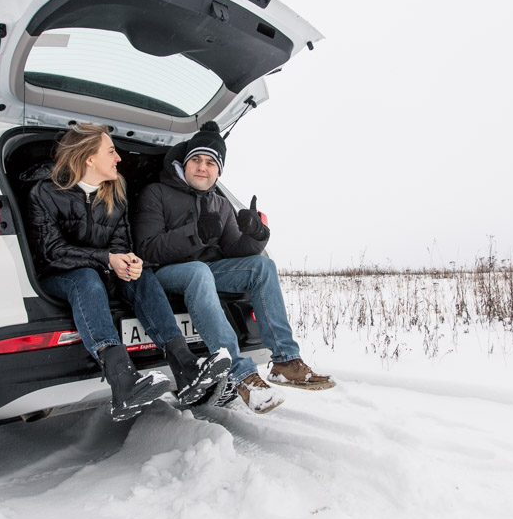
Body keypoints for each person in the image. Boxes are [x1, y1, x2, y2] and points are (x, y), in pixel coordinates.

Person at [28, 124, 230, 421]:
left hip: (103, 268)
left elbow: (120, 243)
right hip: (60, 273)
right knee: (86, 278)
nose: (118, 158)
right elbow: (51, 251)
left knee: (142, 275)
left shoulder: (115, 191)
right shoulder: (45, 191)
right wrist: (107, 259)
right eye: (111, 151)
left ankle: (185, 367)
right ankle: (122, 381)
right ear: (89, 158)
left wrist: (128, 261)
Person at [132, 121, 335, 415]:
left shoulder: (220, 203)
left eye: (211, 163)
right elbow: (147, 249)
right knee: (199, 272)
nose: (203, 167)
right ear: (184, 163)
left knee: (262, 266)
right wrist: (195, 234)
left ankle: (285, 360)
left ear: (219, 171)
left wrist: (256, 235)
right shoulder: (157, 193)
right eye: (197, 160)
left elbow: (234, 250)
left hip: (207, 271)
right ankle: (242, 375)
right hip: (165, 272)